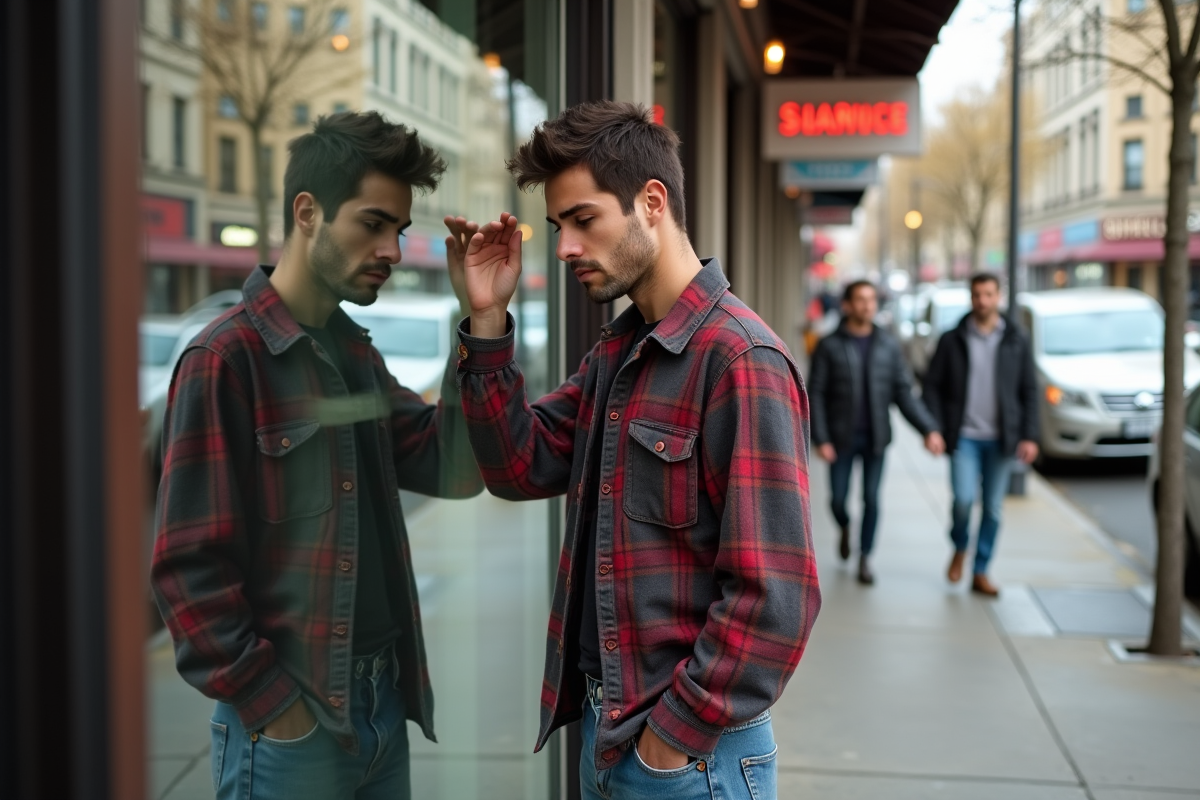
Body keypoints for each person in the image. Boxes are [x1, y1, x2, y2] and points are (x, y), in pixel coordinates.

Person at [448, 101, 820, 800]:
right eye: (559, 226)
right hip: (614, 733)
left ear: (652, 203)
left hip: (688, 756)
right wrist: (488, 321)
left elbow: (776, 598)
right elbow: (518, 465)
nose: (563, 247)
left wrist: (669, 742)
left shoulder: (740, 359)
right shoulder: (619, 352)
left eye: (583, 220)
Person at [150, 111, 484, 800]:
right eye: (372, 223)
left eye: (399, 228)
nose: (392, 247)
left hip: (384, 708)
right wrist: (278, 711)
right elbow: (188, 572)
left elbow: (452, 467)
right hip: (293, 729)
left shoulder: (352, 351)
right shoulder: (224, 360)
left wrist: (480, 320)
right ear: (308, 212)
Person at [809, 280, 945, 585]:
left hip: (876, 439)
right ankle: (844, 526)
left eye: (871, 300)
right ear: (847, 305)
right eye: (860, 300)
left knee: (872, 498)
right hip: (840, 439)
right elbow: (815, 393)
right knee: (838, 500)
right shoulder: (829, 345)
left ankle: (865, 557)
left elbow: (904, 393)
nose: (867, 305)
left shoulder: (888, 345)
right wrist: (822, 438)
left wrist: (928, 429)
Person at [922, 273, 1039, 598]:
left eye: (988, 294)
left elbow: (1029, 389)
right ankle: (960, 546)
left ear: (998, 297)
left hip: (1002, 439)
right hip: (964, 438)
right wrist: (933, 428)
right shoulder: (952, 339)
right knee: (963, 501)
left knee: (993, 509)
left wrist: (1030, 435)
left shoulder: (1016, 338)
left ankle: (981, 569)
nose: (982, 301)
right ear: (970, 298)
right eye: (976, 295)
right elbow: (931, 386)